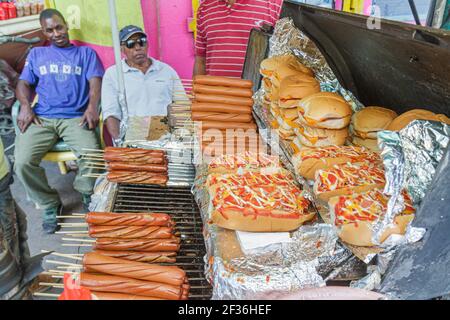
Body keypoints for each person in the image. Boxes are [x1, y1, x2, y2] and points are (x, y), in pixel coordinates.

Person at [14, 9, 104, 234]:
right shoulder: (36, 55)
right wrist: (26, 106)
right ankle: (49, 204)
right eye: (50, 30)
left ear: (66, 25)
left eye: (59, 27)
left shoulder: (86, 54)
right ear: (44, 32)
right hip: (42, 117)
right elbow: (23, 84)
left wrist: (92, 107)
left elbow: (95, 83)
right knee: (22, 162)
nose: (56, 34)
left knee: (93, 153)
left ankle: (85, 191)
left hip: (75, 117)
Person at [102, 25, 186, 142]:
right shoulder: (113, 74)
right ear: (122, 48)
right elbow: (111, 114)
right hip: (133, 139)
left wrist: (180, 136)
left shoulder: (166, 71)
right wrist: (119, 142)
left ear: (147, 44)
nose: (138, 47)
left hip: (166, 137)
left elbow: (182, 105)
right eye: (131, 44)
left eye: (142, 42)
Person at [194, 0, 284, 77]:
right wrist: (196, 92)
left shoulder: (276, 4)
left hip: (256, 95)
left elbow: (287, 63)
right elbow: (201, 60)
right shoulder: (204, 8)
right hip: (213, 94)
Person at [0, 138, 31, 299]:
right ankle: (17, 292)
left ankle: (29, 280)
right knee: (7, 239)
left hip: (1, 174)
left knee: (19, 222)